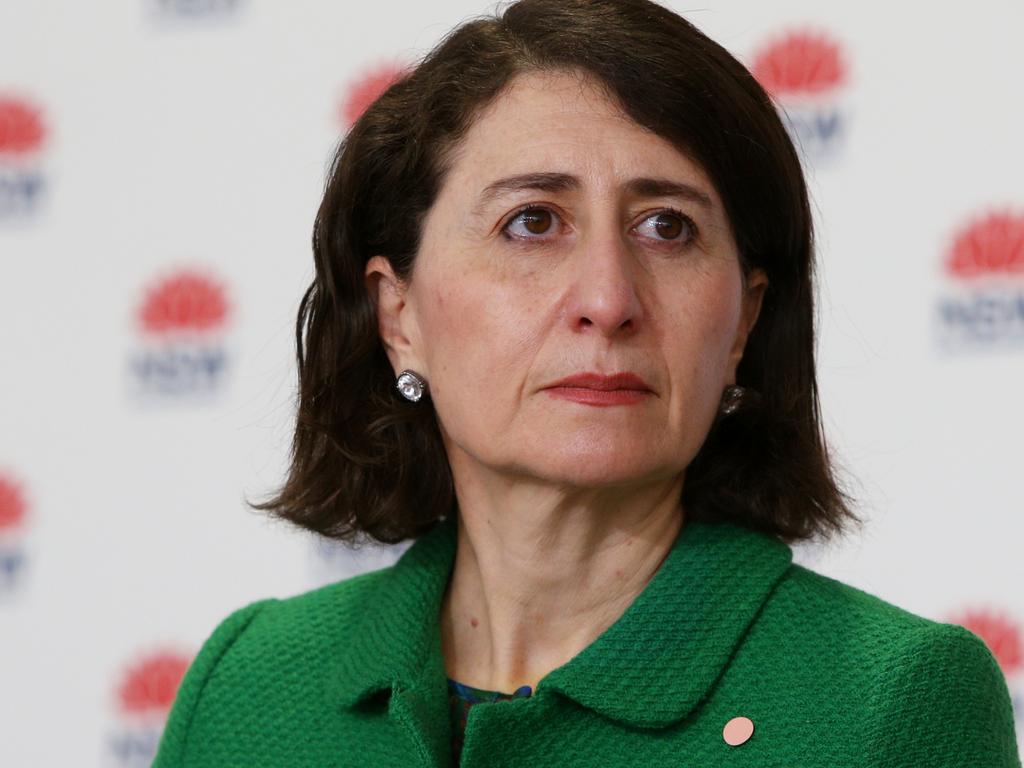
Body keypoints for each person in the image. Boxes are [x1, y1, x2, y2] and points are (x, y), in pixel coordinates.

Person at [153, 0, 1021, 766]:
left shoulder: (890, 703)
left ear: (744, 325)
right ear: (397, 315)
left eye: (667, 228)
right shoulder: (246, 687)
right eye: (532, 222)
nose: (608, 300)